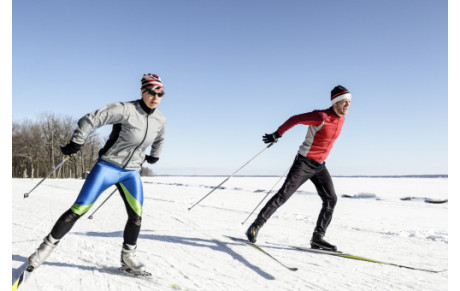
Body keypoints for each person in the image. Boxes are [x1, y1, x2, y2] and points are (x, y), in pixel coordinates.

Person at [27, 73, 167, 274]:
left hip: (131, 173)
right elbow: (91, 119)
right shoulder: (125, 109)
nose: (156, 98)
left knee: (136, 217)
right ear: (143, 91)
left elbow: (160, 138)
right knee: (78, 210)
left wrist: (155, 155)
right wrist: (77, 140)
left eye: (160, 94)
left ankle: (128, 258)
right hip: (108, 168)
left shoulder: (160, 119)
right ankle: (43, 250)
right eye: (152, 93)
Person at [245, 85, 351, 251]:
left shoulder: (341, 119)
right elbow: (295, 119)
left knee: (331, 199)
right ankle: (255, 226)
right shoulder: (321, 116)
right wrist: (277, 134)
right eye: (344, 102)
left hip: (320, 166)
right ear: (335, 102)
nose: (347, 105)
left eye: (349, 102)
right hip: (304, 163)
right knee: (283, 195)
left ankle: (318, 238)